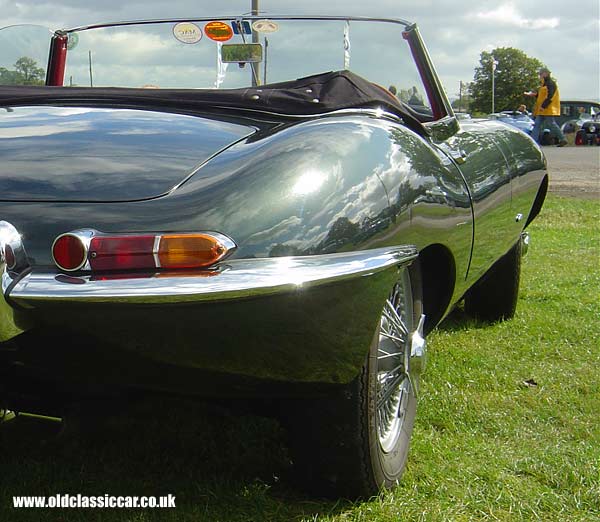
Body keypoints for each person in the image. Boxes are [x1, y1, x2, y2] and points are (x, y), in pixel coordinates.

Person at [525, 67, 568, 146]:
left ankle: (563, 139)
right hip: (542, 109)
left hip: (548, 108)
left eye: (540, 74)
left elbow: (550, 96)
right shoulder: (544, 84)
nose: (539, 76)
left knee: (551, 124)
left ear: (546, 74)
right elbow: (542, 96)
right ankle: (532, 142)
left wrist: (544, 106)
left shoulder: (550, 83)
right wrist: (535, 95)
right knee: (537, 124)